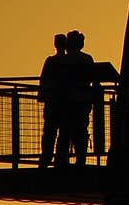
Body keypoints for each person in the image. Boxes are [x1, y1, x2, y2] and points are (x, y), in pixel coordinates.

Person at [57, 29, 96, 166]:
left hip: (66, 102)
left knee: (65, 132)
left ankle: (61, 161)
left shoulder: (63, 60)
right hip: (82, 101)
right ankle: (81, 160)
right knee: (81, 132)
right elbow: (92, 78)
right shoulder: (86, 59)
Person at [38, 33, 67, 168]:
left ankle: (46, 158)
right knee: (63, 133)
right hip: (66, 103)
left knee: (50, 132)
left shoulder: (50, 61)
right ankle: (60, 159)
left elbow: (43, 80)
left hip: (52, 102)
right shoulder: (68, 61)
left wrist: (42, 96)